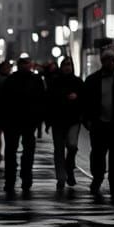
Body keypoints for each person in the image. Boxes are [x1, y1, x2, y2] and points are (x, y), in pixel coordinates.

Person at [82, 47, 114, 198]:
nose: (109, 63)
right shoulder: (93, 80)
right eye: (106, 60)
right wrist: (88, 121)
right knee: (98, 155)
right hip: (99, 124)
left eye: (111, 60)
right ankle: (98, 179)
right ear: (102, 61)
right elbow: (87, 103)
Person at [0, 54, 46, 195]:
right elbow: (41, 100)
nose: (25, 66)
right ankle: (22, 178)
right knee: (23, 151)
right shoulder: (34, 80)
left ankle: (13, 179)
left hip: (18, 120)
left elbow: (4, 101)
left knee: (13, 151)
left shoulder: (11, 80)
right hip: (24, 120)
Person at [46, 56, 84, 192]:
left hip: (73, 120)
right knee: (59, 149)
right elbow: (49, 100)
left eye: (69, 65)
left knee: (72, 146)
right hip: (58, 120)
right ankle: (61, 176)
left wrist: (78, 99)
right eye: (65, 65)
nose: (67, 67)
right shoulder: (55, 82)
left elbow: (85, 100)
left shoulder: (78, 82)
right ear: (61, 67)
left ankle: (69, 167)